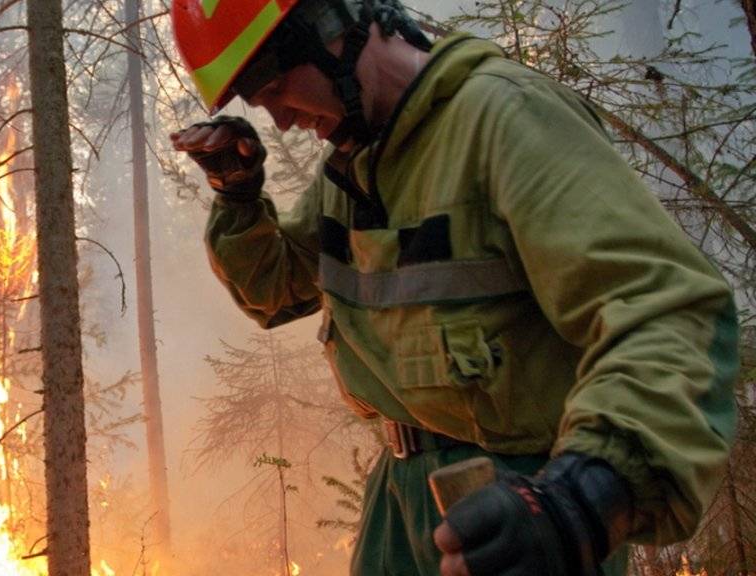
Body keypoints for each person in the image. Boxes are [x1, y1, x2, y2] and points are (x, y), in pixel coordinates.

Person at [168, 0, 740, 574]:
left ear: (329, 26)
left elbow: (669, 311)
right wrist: (237, 192)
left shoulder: (505, 117)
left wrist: (584, 498)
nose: (283, 121)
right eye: (260, 104)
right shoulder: (355, 162)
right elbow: (279, 287)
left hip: (523, 509)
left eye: (274, 86)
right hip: (398, 502)